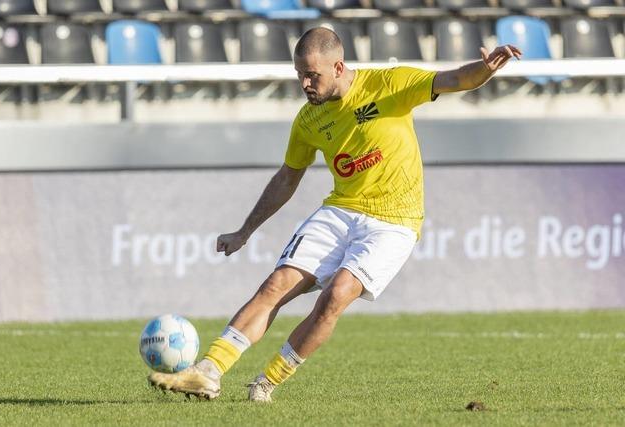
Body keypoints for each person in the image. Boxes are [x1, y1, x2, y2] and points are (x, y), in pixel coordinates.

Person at [149, 27, 521, 403]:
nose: (305, 84)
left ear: (338, 66)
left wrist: (485, 69)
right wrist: (245, 230)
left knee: (336, 295)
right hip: (341, 209)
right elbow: (287, 178)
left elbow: (455, 78)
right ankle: (208, 371)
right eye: (300, 76)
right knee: (275, 286)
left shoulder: (389, 85)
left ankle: (267, 381)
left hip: (395, 221)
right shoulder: (308, 121)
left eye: (313, 75)